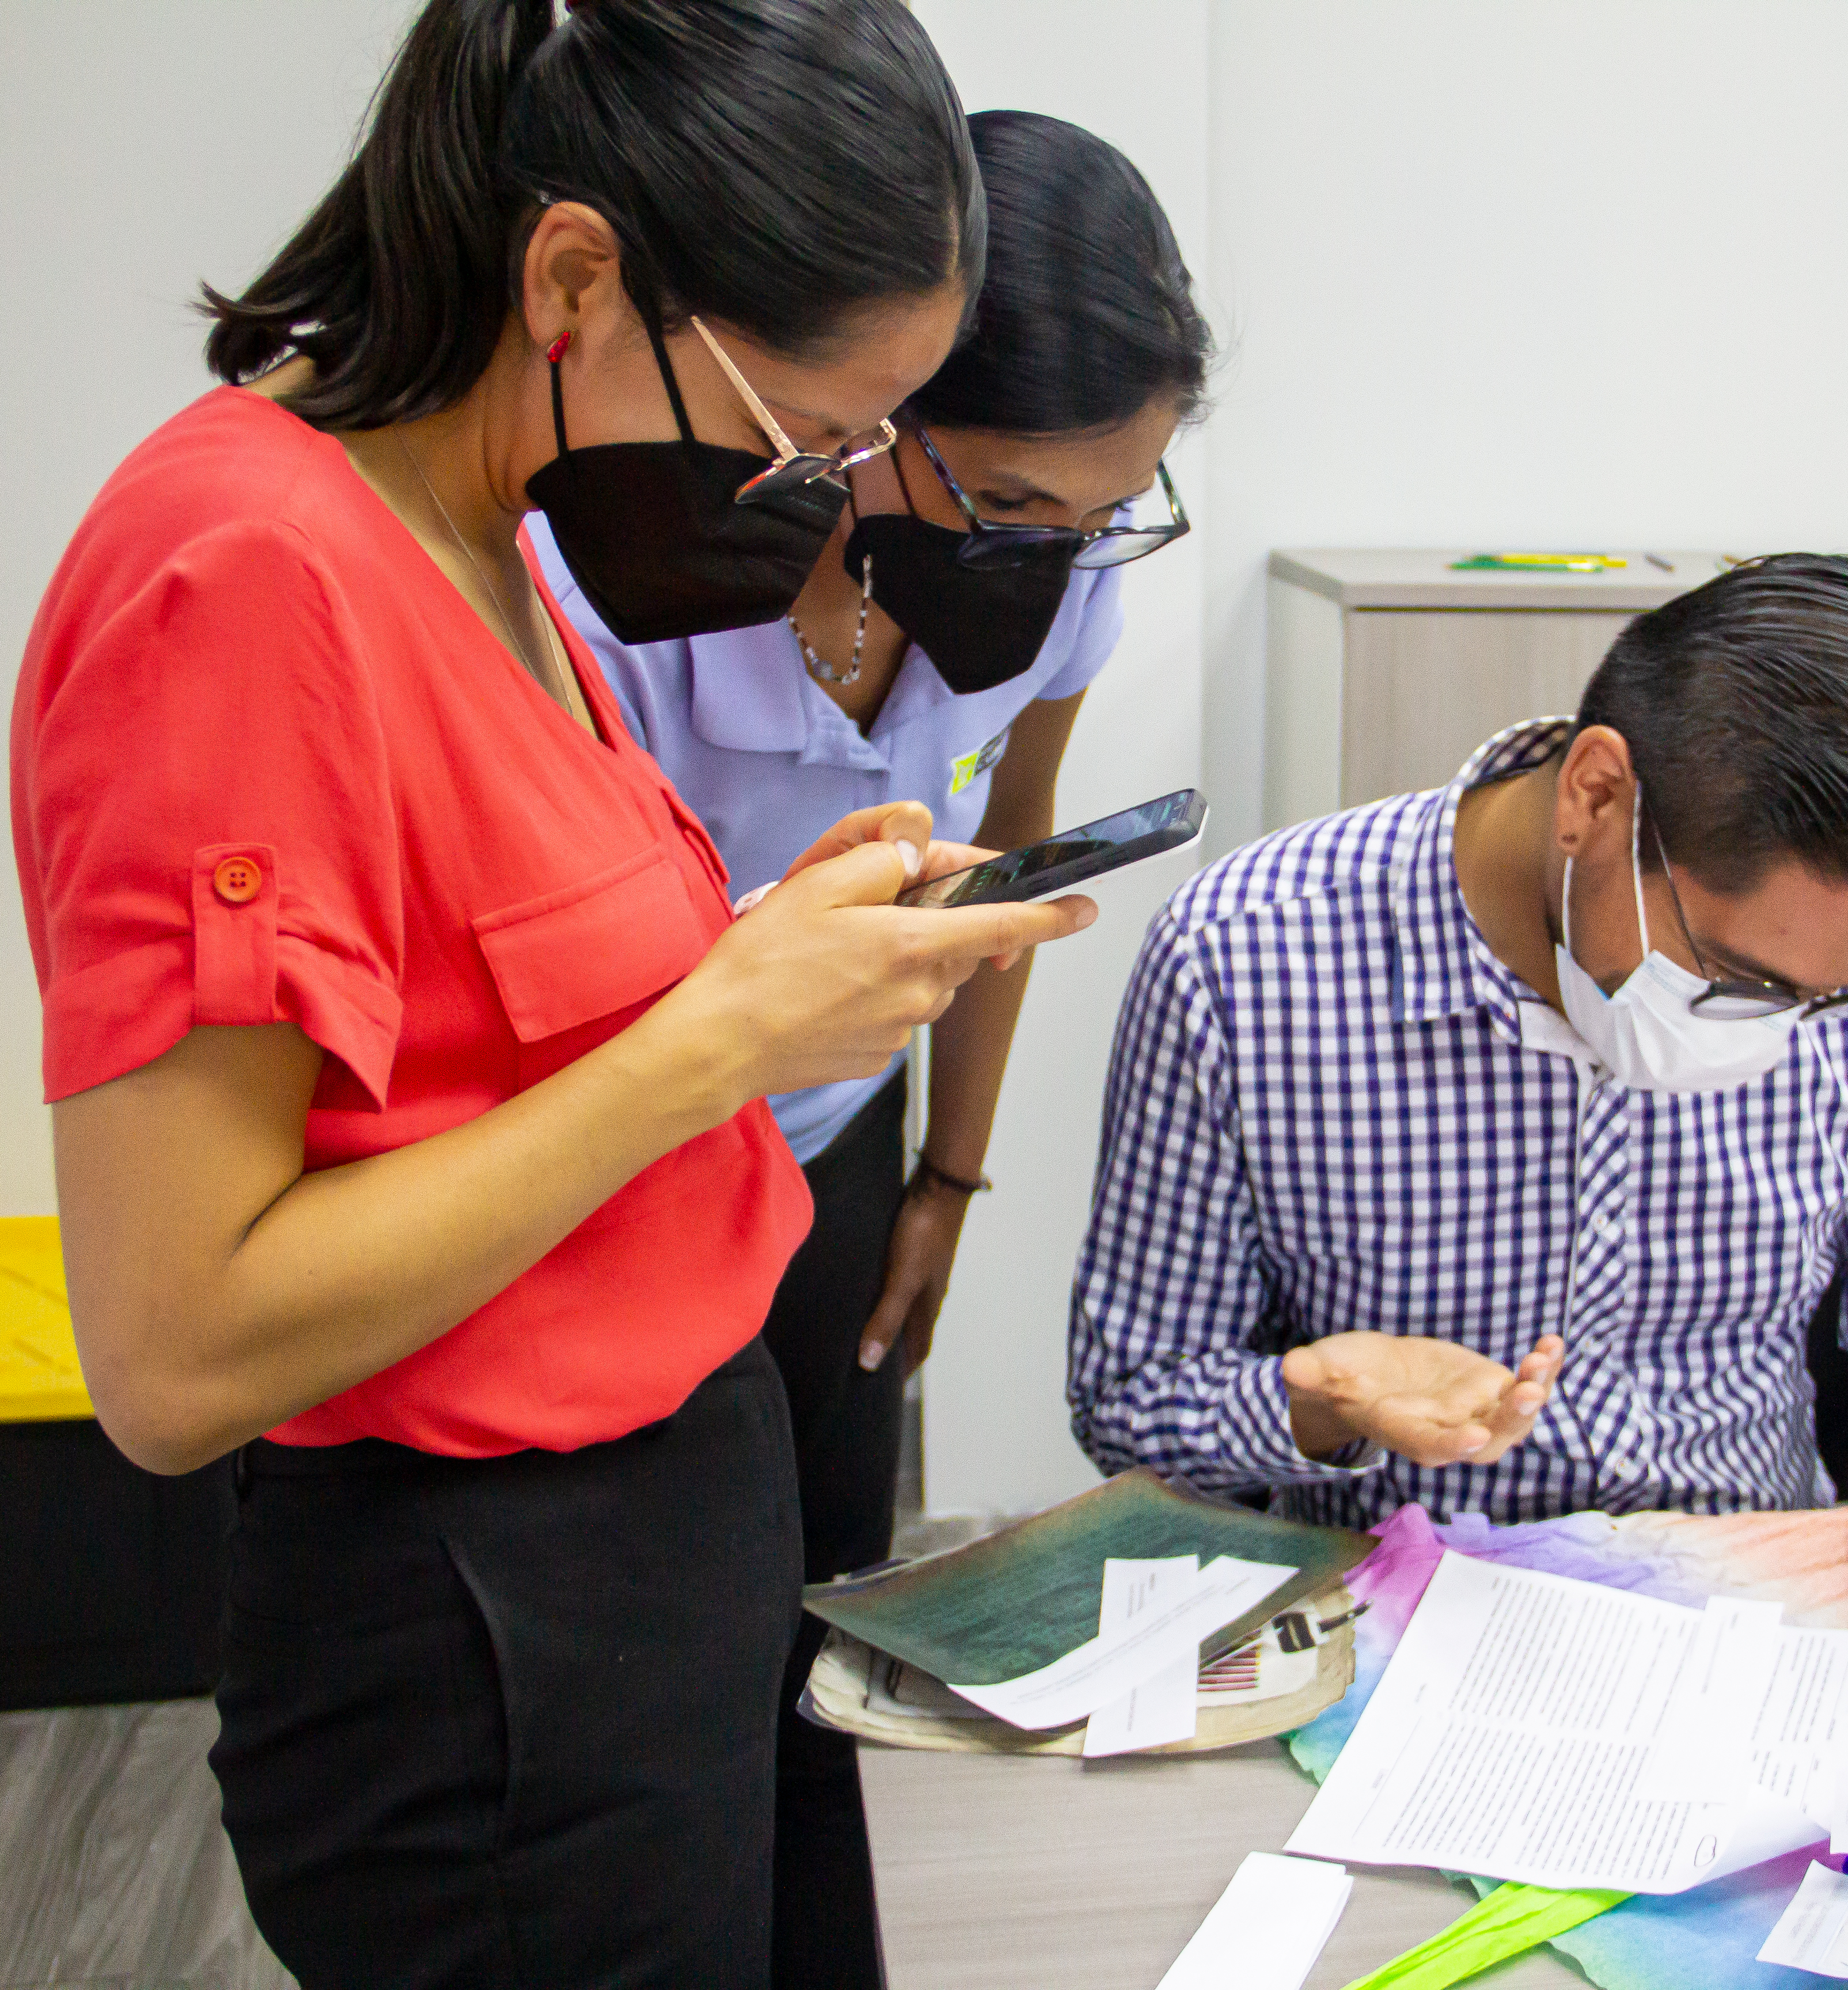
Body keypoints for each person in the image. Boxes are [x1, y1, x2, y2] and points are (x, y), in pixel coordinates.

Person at [7, 3, 1093, 1984]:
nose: (840, 495)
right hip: (482, 1624)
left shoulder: (478, 544)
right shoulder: (245, 574)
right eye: (813, 436)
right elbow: (176, 1346)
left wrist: (767, 943)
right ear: (574, 278)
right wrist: (725, 1038)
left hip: (653, 1547)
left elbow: (473, 1034)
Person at [530, 109, 1204, 1990]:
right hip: (617, 1156)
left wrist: (945, 1175)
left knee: (831, 1620)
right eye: (1008, 501)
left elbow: (1009, 882)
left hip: (840, 1142)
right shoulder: (625, 585)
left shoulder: (1046, 574)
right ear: (873, 404)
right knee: (668, 1649)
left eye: (1110, 511)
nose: (1058, 556)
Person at [1071, 556, 1848, 1550]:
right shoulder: (1248, 958)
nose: (1787, 1024)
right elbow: (1133, 1401)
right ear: (1595, 795)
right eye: (1744, 980)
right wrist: (1316, 1403)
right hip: (1391, 1615)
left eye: (1826, 999)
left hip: (1749, 1606)